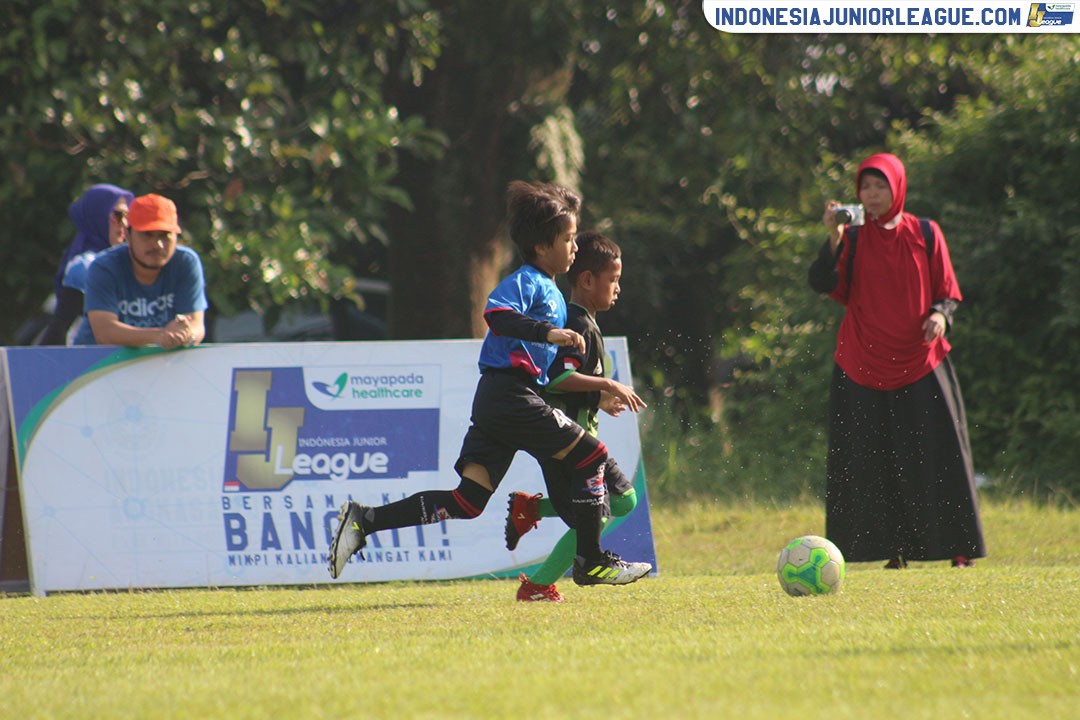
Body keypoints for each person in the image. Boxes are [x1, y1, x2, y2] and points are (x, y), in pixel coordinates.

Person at [328, 181, 652, 587]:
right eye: (568, 239)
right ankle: (590, 560)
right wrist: (547, 333)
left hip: (502, 402)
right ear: (540, 246)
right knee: (591, 456)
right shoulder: (529, 281)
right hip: (510, 396)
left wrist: (596, 395)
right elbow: (496, 314)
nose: (574, 246)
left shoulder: (550, 290)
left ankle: (365, 520)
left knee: (467, 502)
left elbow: (551, 375)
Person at [807, 152, 985, 570]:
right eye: (865, 187)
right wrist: (832, 236)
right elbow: (822, 282)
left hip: (921, 359)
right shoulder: (849, 237)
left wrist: (940, 315)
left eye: (879, 186)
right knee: (871, 461)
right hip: (861, 362)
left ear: (897, 188)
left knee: (940, 456)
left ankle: (958, 549)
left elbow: (947, 289)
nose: (871, 195)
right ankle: (890, 552)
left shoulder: (926, 231)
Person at [504, 230, 646, 602]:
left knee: (623, 502)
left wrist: (598, 397)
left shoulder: (585, 323)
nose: (617, 288)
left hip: (582, 439)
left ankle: (531, 508)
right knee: (593, 519)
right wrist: (610, 386)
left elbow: (563, 384)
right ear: (587, 280)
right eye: (613, 280)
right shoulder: (578, 324)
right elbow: (558, 379)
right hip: (569, 444)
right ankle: (536, 585)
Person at [73, 193, 207, 349]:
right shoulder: (104, 267)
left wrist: (186, 334)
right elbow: (105, 333)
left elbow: (197, 326)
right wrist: (161, 335)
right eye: (147, 235)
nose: (157, 245)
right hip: (97, 367)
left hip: (159, 362)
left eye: (165, 235)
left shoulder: (186, 262)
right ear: (128, 236)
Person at [36, 184, 135, 345]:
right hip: (88, 363)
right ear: (98, 214)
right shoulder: (85, 266)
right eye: (118, 215)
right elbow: (60, 327)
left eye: (128, 216)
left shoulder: (131, 262)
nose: (123, 223)